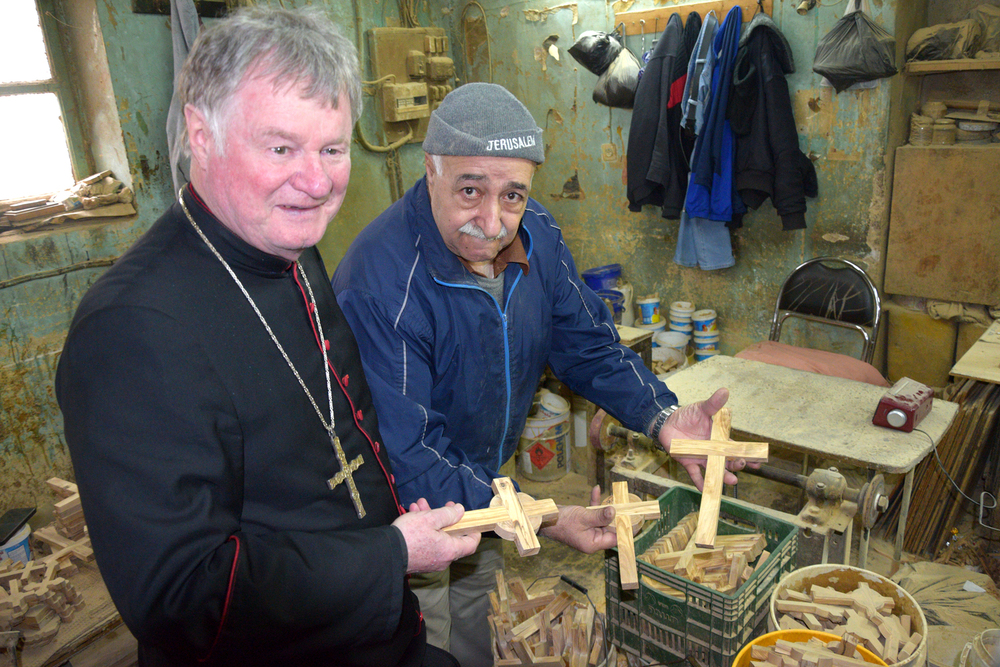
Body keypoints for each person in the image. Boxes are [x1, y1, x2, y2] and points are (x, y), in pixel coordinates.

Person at [55, 8, 479, 667]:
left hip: (373, 624)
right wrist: (390, 553)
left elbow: (337, 435)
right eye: (281, 147)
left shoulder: (288, 244)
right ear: (202, 133)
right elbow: (184, 594)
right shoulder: (130, 328)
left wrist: (391, 513)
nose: (315, 182)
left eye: (332, 148)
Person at [331, 82, 747, 667]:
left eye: (513, 195)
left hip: (485, 476)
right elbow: (410, 453)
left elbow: (590, 347)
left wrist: (664, 415)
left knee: (477, 604)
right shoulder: (382, 283)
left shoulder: (538, 236)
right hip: (405, 513)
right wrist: (544, 516)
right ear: (430, 171)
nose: (493, 221)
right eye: (470, 190)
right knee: (423, 633)